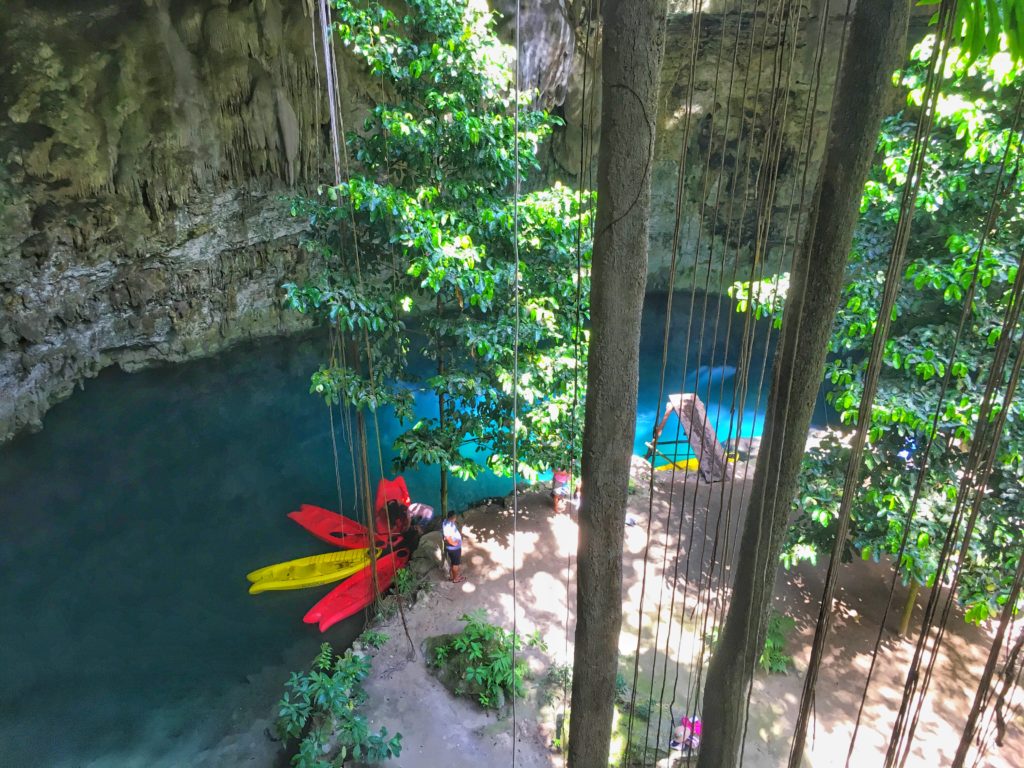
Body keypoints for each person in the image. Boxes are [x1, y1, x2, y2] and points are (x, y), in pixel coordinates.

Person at [441, 510, 465, 583]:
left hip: (452, 548)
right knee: (455, 564)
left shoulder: (446, 521)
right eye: (455, 517)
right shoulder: (448, 526)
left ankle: (452, 576)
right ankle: (455, 579)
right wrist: (454, 544)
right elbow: (447, 538)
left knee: (453, 562)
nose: (456, 518)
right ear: (452, 518)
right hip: (454, 548)